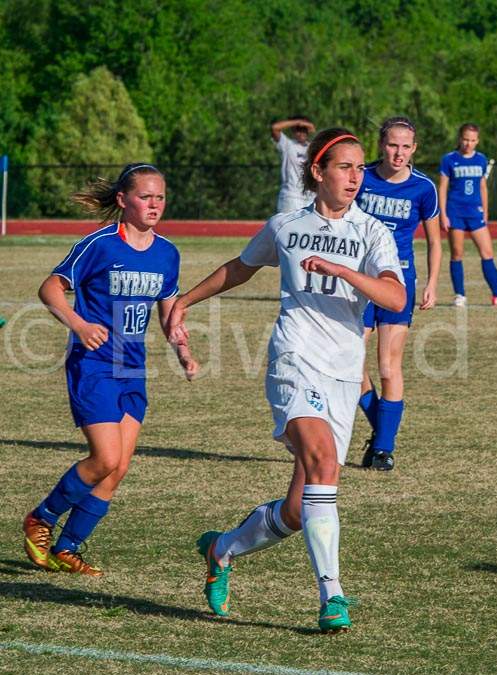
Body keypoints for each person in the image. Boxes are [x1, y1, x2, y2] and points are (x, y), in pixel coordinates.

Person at [168, 128, 405, 633]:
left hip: (344, 373)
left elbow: (394, 298)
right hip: (293, 361)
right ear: (318, 171)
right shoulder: (286, 225)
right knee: (321, 460)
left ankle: (221, 548)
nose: (356, 177)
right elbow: (241, 268)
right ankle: (332, 596)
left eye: (361, 168)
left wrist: (345, 271)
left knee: (300, 510)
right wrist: (185, 301)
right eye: (345, 166)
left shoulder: (372, 232)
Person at [21, 163, 197, 577]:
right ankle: (41, 518)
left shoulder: (167, 252)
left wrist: (183, 348)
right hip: (94, 365)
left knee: (117, 469)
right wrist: (79, 325)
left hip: (132, 369)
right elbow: (50, 287)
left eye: (160, 197)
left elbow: (169, 309)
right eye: (145, 197)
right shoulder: (98, 244)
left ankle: (68, 548)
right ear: (123, 200)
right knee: (105, 457)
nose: (154, 205)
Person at [356, 116, 441, 472]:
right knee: (350, 365)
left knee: (389, 367)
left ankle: (383, 449)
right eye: (393, 144)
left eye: (406, 146)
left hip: (398, 284)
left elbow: (435, 241)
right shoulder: (361, 177)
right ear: (381, 144)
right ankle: (383, 434)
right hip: (358, 281)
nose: (399, 152)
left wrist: (432, 283)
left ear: (415, 149)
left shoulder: (423, 188)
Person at [438, 123, 497, 307]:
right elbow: (442, 187)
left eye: (473, 140)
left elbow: (483, 187)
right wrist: (443, 214)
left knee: (487, 253)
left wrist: (485, 210)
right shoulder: (449, 159)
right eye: (466, 139)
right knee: (457, 254)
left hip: (475, 213)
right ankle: (460, 295)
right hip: (456, 212)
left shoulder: (481, 159)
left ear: (478, 141)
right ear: (460, 138)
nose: (469, 143)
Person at [271, 115, 317, 214]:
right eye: (298, 130)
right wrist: (297, 122)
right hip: (291, 197)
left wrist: (311, 128)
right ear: (293, 131)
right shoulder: (288, 145)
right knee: (287, 228)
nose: (301, 133)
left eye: (304, 129)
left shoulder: (312, 148)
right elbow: (275, 128)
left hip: (310, 198)